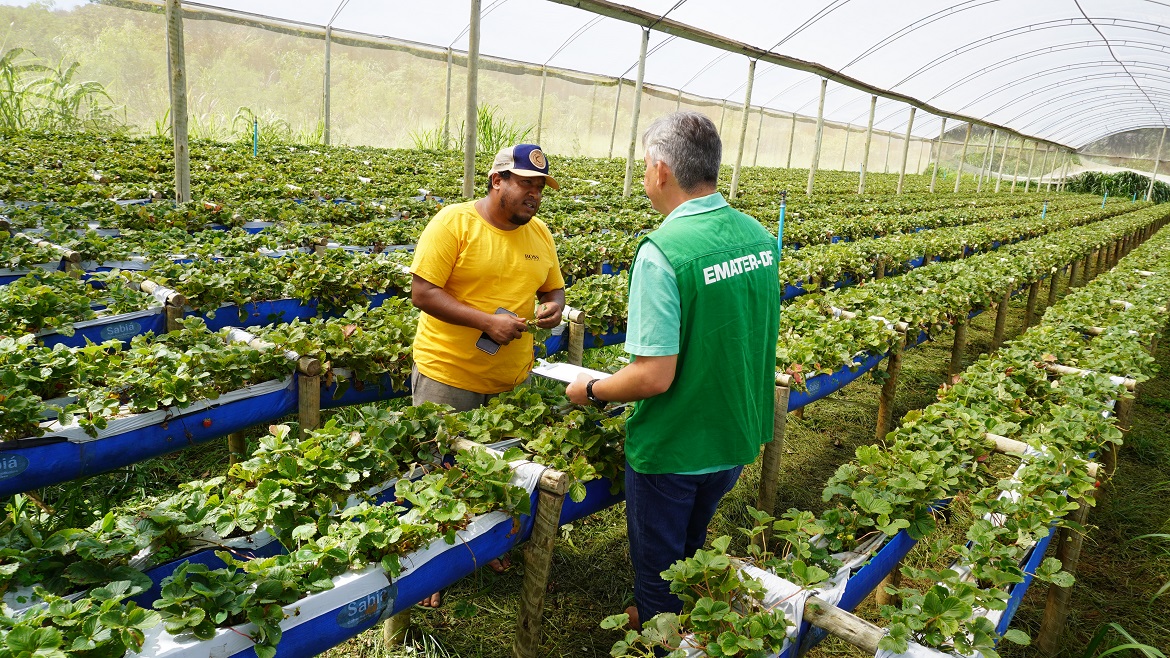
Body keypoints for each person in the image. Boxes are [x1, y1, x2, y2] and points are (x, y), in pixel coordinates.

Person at [566, 112, 781, 630]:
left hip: (676, 445)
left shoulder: (662, 253)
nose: (645, 176)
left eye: (645, 166)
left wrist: (591, 388)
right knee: (691, 546)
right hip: (733, 434)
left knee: (658, 570)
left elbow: (653, 376)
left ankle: (660, 629)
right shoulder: (756, 236)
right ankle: (685, 618)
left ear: (661, 171)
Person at [409, 144, 566, 607]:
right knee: (437, 472)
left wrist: (553, 307)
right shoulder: (453, 224)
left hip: (511, 380)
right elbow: (423, 292)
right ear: (497, 180)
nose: (535, 195)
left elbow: (554, 289)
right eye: (526, 185)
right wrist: (485, 322)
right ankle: (427, 568)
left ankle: (484, 546)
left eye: (540, 188)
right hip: (447, 375)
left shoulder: (540, 233)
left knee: (496, 472)